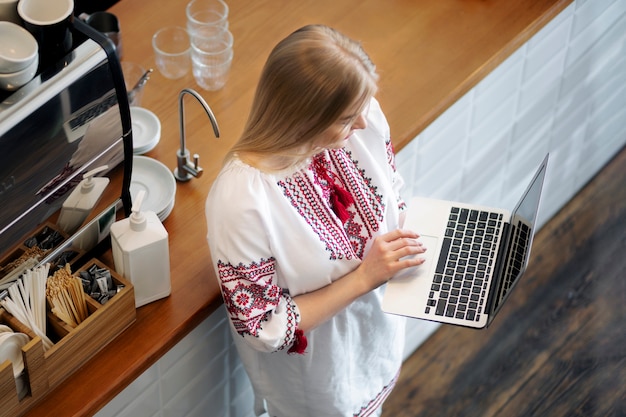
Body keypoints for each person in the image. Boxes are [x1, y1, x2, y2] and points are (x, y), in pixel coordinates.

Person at [205, 24, 427, 417]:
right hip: (324, 383)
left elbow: (392, 189)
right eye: (345, 117)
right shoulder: (241, 200)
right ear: (303, 117)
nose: (362, 122)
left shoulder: (361, 118)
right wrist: (364, 277)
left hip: (376, 339)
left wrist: (421, 245)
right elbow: (265, 327)